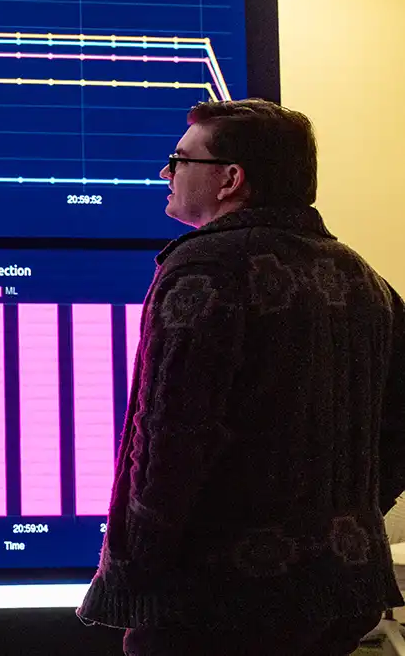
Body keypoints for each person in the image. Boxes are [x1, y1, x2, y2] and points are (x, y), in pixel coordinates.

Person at [78, 99, 405, 655]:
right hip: (343, 591)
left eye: (180, 159)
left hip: (219, 602)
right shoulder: (361, 275)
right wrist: (356, 519)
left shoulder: (206, 265)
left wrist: (136, 578)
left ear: (231, 179)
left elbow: (170, 437)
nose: (166, 172)